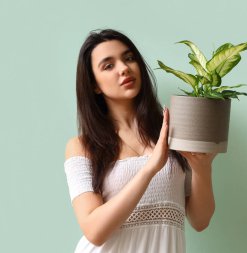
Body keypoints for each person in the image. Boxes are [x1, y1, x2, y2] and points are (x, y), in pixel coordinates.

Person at [64, 28, 217, 253]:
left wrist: (202, 168)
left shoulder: (172, 133)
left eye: (129, 58)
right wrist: (149, 169)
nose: (124, 68)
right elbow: (94, 231)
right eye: (108, 65)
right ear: (94, 85)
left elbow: (200, 221)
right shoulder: (82, 146)